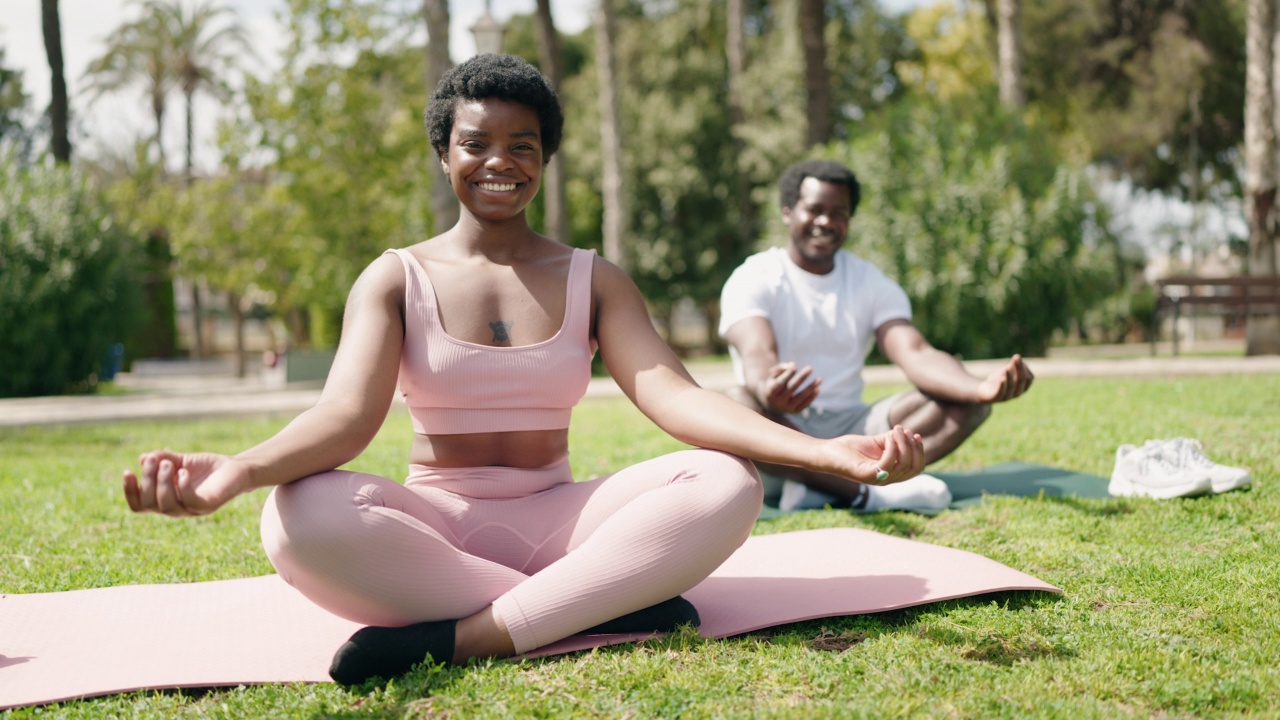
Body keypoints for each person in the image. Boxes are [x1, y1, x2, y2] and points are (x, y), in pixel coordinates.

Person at [121, 56, 927, 687]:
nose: (498, 162)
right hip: (435, 533)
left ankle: (475, 637)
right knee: (296, 518)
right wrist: (239, 472)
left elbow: (676, 398)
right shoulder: (395, 277)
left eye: (522, 146)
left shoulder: (593, 278)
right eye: (476, 144)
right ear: (445, 155)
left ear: (545, 159)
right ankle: (601, 602)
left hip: (565, 519)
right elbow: (344, 419)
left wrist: (827, 454)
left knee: (729, 483)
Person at [719, 159, 1034, 514]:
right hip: (782, 436)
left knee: (967, 402)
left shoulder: (869, 281)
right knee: (735, 403)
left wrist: (978, 388)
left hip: (854, 427)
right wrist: (770, 391)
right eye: (815, 210)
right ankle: (863, 492)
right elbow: (757, 354)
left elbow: (915, 352)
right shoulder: (754, 277)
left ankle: (817, 487)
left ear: (849, 220)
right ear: (788, 212)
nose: (826, 221)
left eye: (838, 212)